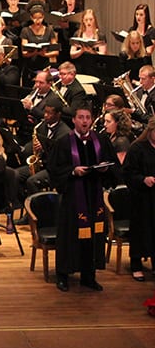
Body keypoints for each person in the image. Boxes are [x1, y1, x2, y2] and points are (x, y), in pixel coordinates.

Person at [47, 105, 119, 292]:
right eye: (81, 117)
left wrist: (105, 168)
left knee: (93, 237)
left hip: (94, 197)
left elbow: (114, 166)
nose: (85, 121)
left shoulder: (101, 140)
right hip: (73, 198)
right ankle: (63, 274)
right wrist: (72, 171)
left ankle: (89, 275)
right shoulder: (63, 143)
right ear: (74, 120)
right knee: (69, 236)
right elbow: (54, 170)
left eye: (88, 117)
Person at [122, 118, 155, 282]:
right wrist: (143, 179)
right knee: (141, 230)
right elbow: (127, 173)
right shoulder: (137, 148)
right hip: (141, 198)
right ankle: (136, 265)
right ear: (150, 131)